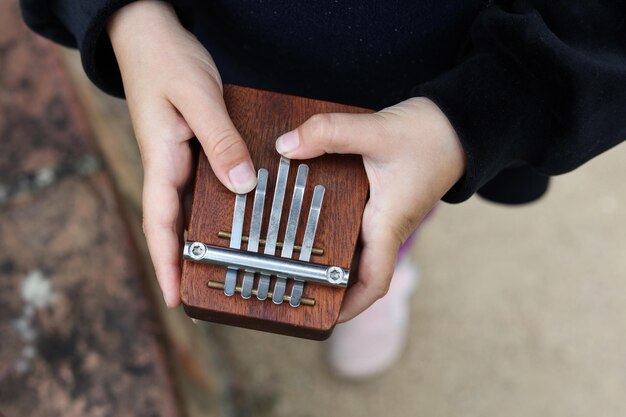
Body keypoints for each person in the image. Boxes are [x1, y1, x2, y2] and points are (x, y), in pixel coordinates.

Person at [20, 0, 626, 378]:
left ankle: (386, 275)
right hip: (215, 48)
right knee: (226, 176)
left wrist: (475, 115)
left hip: (428, 84)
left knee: (389, 213)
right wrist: (130, 15)